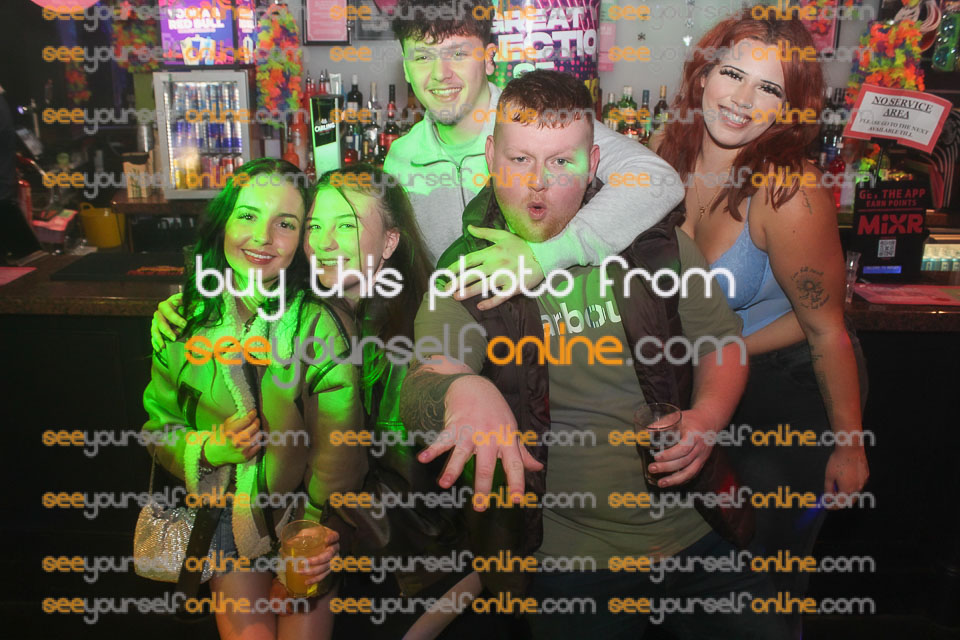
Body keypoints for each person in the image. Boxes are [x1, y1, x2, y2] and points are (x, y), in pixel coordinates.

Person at [399, 69, 789, 639]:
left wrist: (707, 418)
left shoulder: (653, 244)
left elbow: (721, 342)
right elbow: (425, 379)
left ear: (594, 164)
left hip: (700, 532)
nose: (538, 183)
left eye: (562, 161)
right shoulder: (466, 271)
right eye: (520, 159)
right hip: (573, 561)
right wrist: (461, 389)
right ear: (490, 158)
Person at [653, 8, 870, 637]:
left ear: (790, 106)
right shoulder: (664, 159)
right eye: (732, 74)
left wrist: (849, 445)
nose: (743, 100)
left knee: (761, 581)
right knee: (690, 572)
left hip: (790, 392)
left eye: (769, 87)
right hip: (711, 385)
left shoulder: (788, 192)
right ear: (703, 75)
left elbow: (826, 327)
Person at [142, 158, 366, 640]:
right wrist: (207, 450)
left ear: (302, 240)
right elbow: (158, 429)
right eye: (247, 215)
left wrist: (310, 532)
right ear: (223, 221)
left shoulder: (318, 323)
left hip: (306, 519)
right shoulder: (183, 320)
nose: (263, 237)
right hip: (228, 520)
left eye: (285, 224)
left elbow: (340, 448)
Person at [385, 0, 685, 306]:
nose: (440, 73)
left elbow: (658, 179)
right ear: (405, 68)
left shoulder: (538, 118)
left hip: (561, 318)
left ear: (489, 59)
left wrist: (545, 256)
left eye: (458, 53)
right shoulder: (400, 159)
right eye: (422, 56)